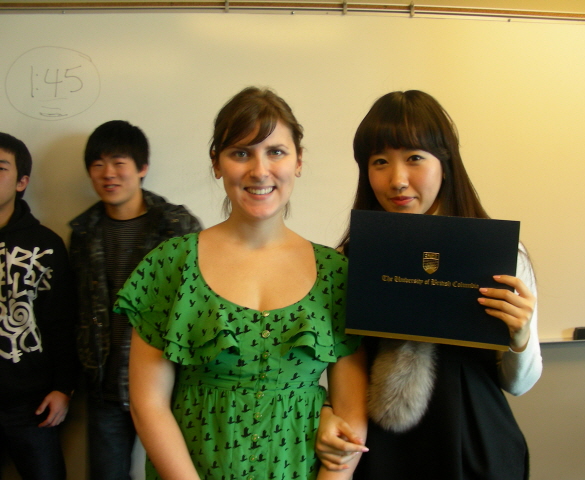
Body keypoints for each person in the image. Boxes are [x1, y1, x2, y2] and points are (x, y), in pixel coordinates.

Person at [114, 87, 368, 480]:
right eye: (241, 153)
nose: (260, 170)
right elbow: (149, 404)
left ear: (299, 161)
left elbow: (351, 416)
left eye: (276, 152)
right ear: (217, 163)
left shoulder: (337, 274)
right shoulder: (171, 265)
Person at [315, 90, 542, 480]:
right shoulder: (348, 259)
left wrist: (520, 337)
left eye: (415, 158)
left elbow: (518, 384)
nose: (397, 180)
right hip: (379, 453)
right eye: (380, 162)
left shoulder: (497, 254)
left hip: (473, 446)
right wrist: (326, 413)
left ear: (445, 162)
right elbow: (330, 367)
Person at [69, 120, 202, 480]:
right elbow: (76, 309)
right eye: (98, 164)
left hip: (168, 386)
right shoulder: (84, 232)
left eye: (119, 162)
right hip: (105, 387)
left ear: (142, 167)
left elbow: (198, 307)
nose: (108, 173)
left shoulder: (177, 227)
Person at [0, 133, 77, 480]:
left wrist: (64, 387)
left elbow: (62, 321)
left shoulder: (45, 245)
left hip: (30, 403)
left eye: (0, 168)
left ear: (22, 182)